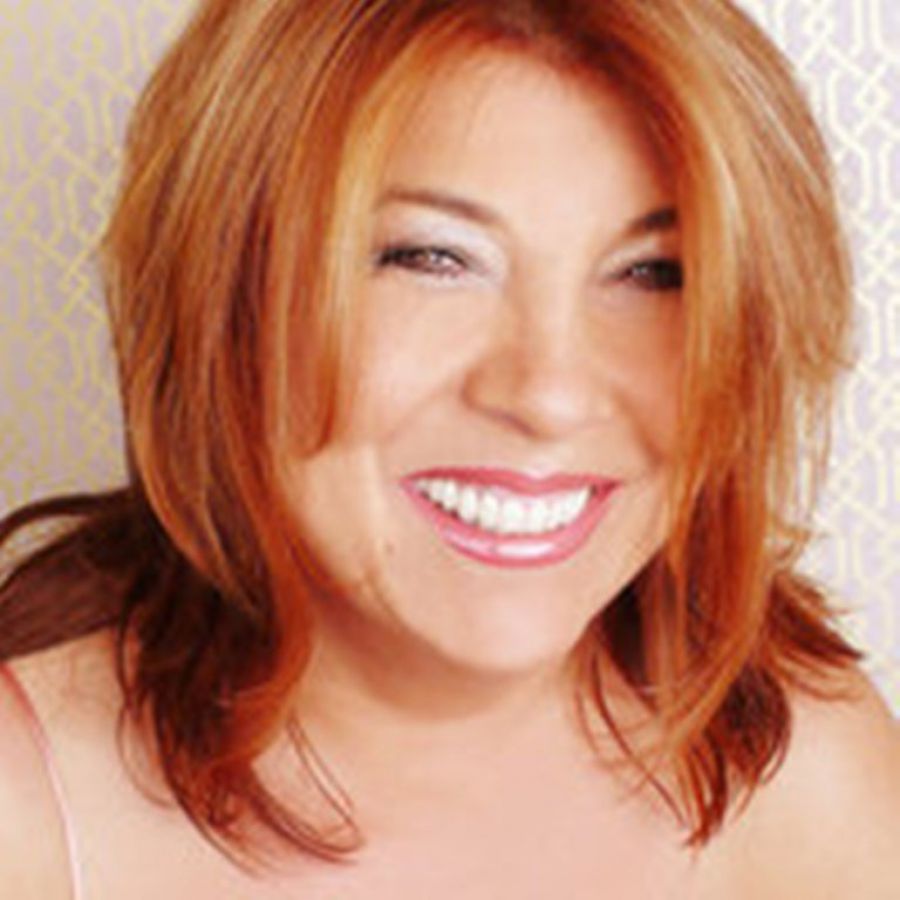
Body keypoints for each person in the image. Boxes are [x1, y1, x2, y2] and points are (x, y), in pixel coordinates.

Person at [1, 0, 898, 896]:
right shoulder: (28, 809)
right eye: (433, 258)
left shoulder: (805, 767)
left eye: (653, 272)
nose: (550, 394)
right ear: (224, 298)